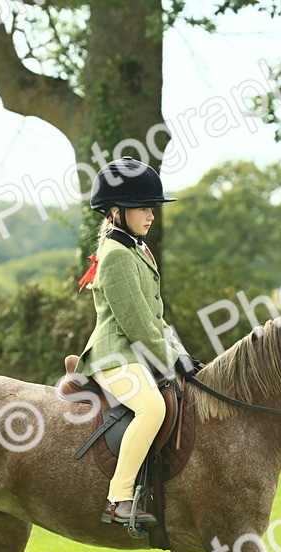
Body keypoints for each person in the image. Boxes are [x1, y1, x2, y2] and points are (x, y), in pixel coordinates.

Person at [73, 157, 203, 529]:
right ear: (116, 212)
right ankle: (119, 498)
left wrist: (182, 355)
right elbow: (138, 326)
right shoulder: (116, 256)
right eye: (143, 208)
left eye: (151, 208)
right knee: (151, 407)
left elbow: (156, 319)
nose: (151, 216)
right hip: (114, 355)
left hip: (137, 354)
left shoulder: (138, 250)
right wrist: (169, 360)